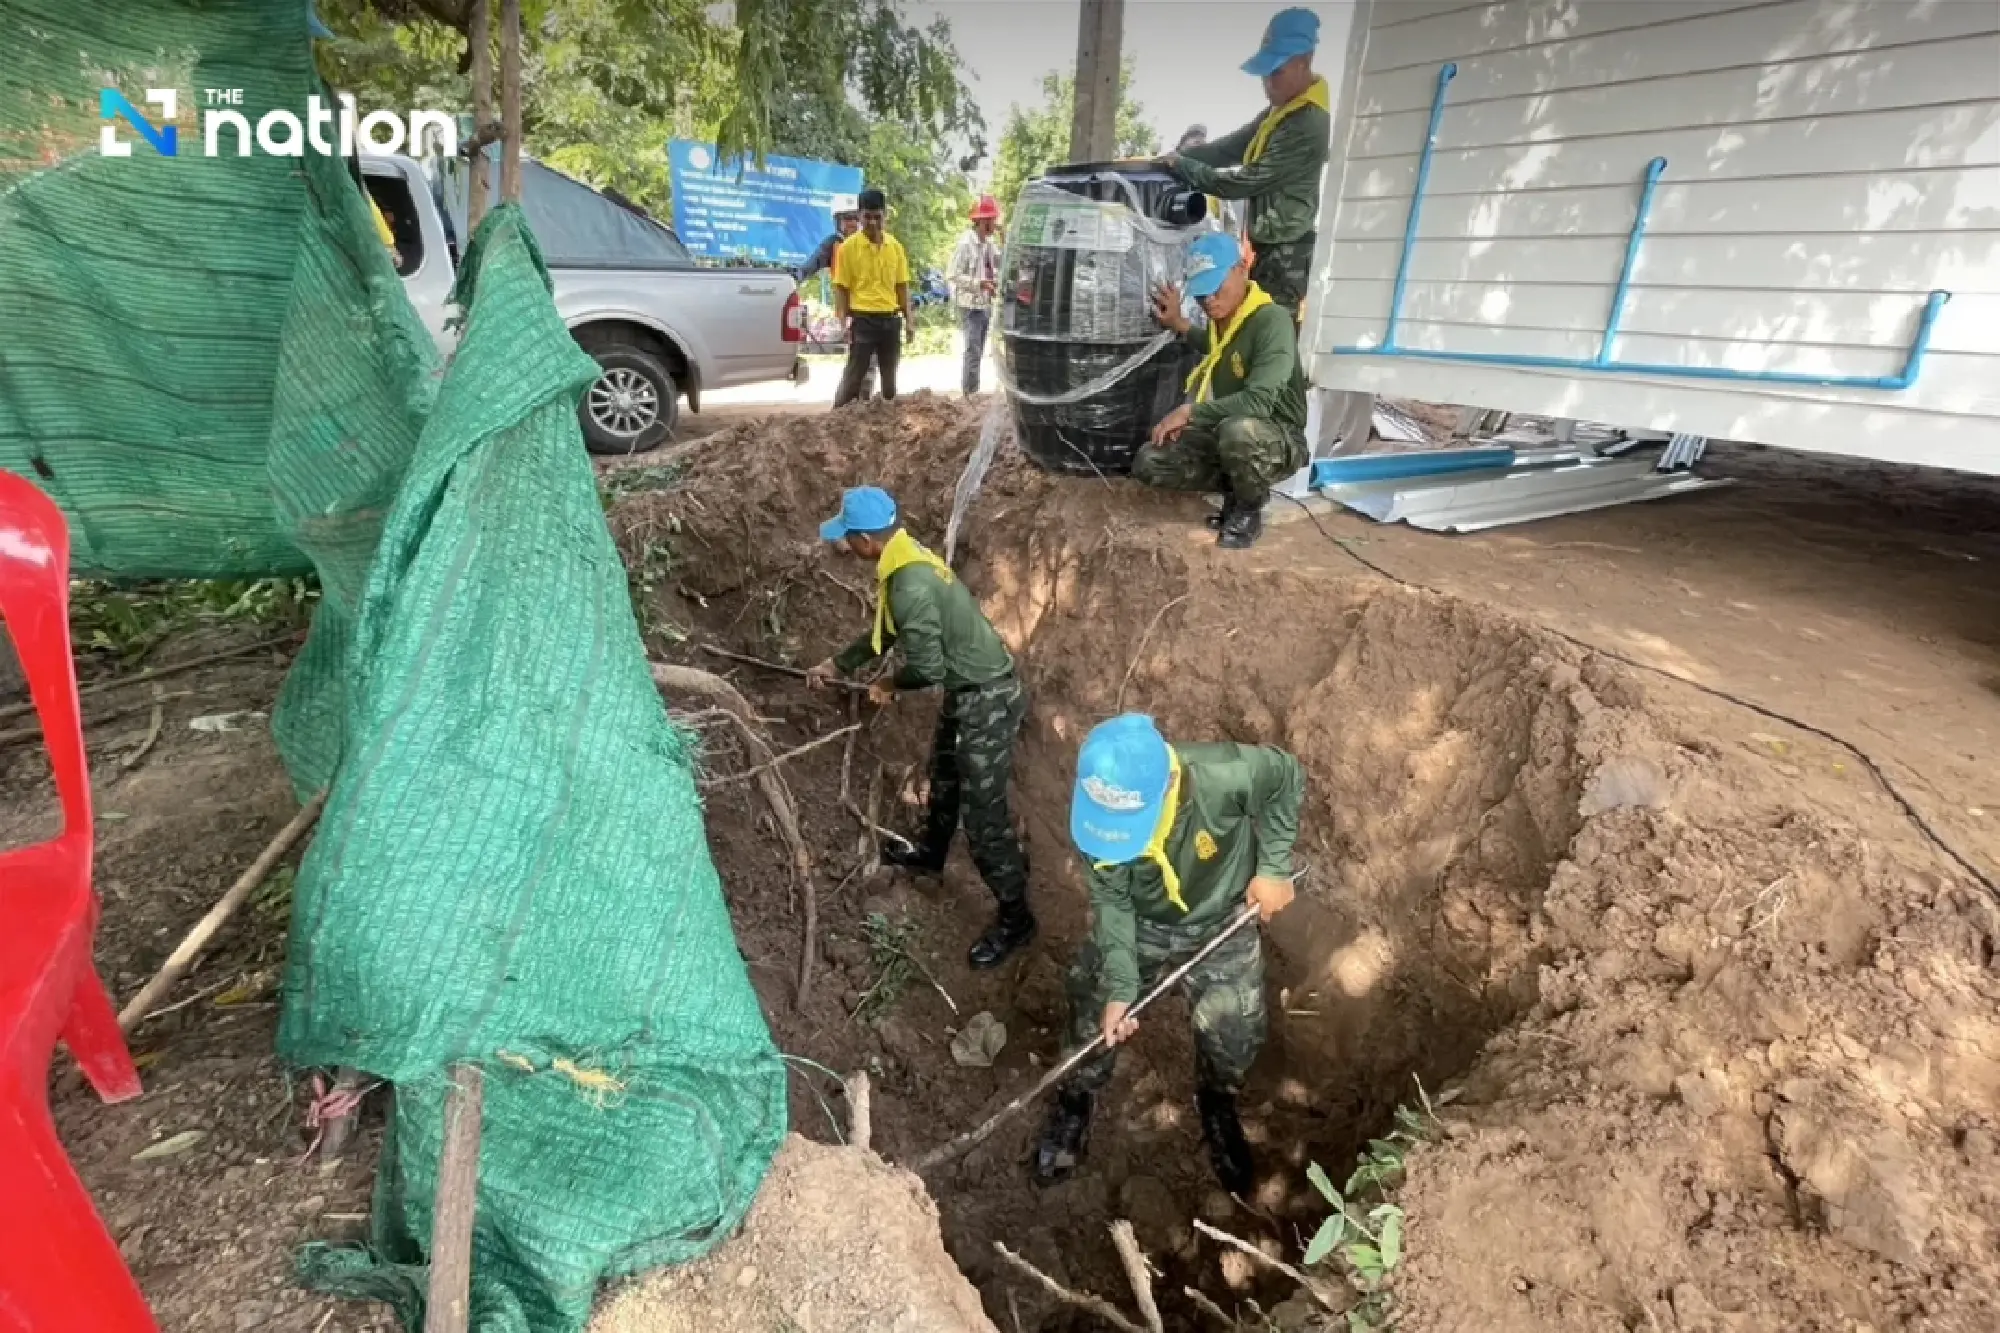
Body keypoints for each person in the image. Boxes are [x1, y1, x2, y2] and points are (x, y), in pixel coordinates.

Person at [1035, 714, 1303, 1195]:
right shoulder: (1100, 822)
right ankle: (1076, 1097)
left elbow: (1285, 776)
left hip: (1224, 921)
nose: (1115, 840)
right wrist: (1121, 986)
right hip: (1141, 925)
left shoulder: (1223, 775)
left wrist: (1274, 867)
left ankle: (1216, 1101)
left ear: (1169, 788)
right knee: (1094, 1014)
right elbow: (1112, 903)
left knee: (1236, 1034)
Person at [806, 487, 1037, 969]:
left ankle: (1017, 919)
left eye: (848, 537)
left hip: (988, 699)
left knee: (984, 818)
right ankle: (931, 853)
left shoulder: (909, 583)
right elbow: (889, 630)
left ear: (867, 540)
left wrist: (890, 683)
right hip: (968, 688)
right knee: (944, 776)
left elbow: (927, 668)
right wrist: (839, 664)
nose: (845, 545)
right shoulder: (904, 555)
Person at [1137, 231, 1308, 550]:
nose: (1209, 301)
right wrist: (1179, 324)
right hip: (1230, 429)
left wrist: (1190, 412)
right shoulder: (1226, 320)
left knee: (1238, 432)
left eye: (1216, 289)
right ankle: (1237, 483)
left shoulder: (1271, 320)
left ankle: (1248, 508)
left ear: (1241, 269)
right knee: (1151, 460)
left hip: (1277, 437)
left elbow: (1258, 402)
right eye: (1201, 295)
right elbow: (1217, 347)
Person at [1160, 7, 1330, 317]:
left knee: (1273, 331)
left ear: (1303, 62)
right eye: (1264, 73)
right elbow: (1229, 148)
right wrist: (1176, 157)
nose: (1267, 83)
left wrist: (1183, 167)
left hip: (1287, 254)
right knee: (1255, 327)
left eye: (1276, 72)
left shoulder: (1307, 122)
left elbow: (1241, 182)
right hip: (1271, 249)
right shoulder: (1280, 112)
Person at [832, 188, 914, 408]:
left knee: (889, 379)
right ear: (859, 216)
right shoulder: (848, 249)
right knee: (854, 375)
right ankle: (838, 416)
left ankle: (887, 418)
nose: (872, 223)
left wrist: (909, 320)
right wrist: (842, 322)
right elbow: (841, 288)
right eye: (867, 217)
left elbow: (902, 287)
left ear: (884, 216)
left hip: (890, 320)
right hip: (863, 320)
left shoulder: (895, 248)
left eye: (877, 217)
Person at [948, 196, 1003, 396]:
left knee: (979, 350)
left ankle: (973, 391)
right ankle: (970, 393)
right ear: (981, 221)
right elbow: (953, 274)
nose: (994, 224)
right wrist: (978, 283)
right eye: (991, 220)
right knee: (973, 350)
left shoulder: (989, 244)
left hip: (984, 303)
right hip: (969, 305)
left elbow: (1002, 262)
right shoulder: (966, 244)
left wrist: (1004, 238)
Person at [797, 207, 859, 285]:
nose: (853, 222)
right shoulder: (833, 242)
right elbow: (808, 269)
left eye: (856, 218)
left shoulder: (863, 242)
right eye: (848, 218)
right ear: (838, 221)